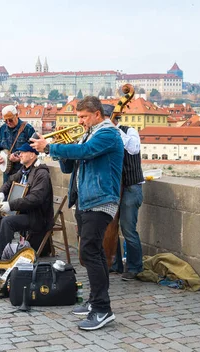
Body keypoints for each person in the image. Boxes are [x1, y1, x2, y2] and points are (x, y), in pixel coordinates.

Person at [30, 96, 123, 331]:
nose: (80, 121)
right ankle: (95, 301)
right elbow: (70, 165)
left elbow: (86, 151)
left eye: (83, 117)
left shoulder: (107, 133)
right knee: (95, 253)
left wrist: (51, 146)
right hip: (85, 200)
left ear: (97, 114)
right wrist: (61, 152)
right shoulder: (88, 133)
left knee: (89, 252)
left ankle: (103, 309)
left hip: (101, 200)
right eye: (78, 117)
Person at [0, 143, 54, 261]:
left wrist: (10, 205)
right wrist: (1, 193)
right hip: (21, 212)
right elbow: (9, 181)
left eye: (23, 152)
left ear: (32, 155)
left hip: (36, 216)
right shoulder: (24, 170)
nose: (19, 155)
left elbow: (35, 198)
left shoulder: (41, 174)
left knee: (7, 222)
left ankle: (2, 258)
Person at [109, 111, 145, 281]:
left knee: (128, 229)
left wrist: (114, 131)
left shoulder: (129, 131)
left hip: (131, 186)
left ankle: (135, 267)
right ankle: (114, 263)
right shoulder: (102, 135)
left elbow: (133, 148)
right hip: (114, 188)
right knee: (111, 227)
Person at [0, 105, 36, 183]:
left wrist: (20, 159)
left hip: (23, 171)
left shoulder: (28, 129)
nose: (8, 122)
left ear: (16, 115)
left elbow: (35, 151)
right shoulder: (2, 129)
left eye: (10, 120)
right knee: (5, 194)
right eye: (5, 121)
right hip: (7, 173)